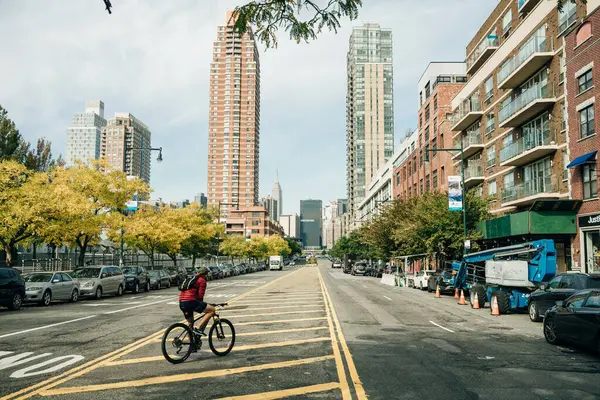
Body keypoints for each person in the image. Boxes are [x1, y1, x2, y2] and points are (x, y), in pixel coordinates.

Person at [179, 266, 215, 335]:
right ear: (204, 274)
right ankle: (198, 327)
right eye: (206, 274)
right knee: (212, 310)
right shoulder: (202, 280)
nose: (206, 276)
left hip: (182, 302)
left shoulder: (191, 278)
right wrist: (206, 305)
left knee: (190, 323)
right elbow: (200, 296)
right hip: (190, 301)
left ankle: (191, 343)